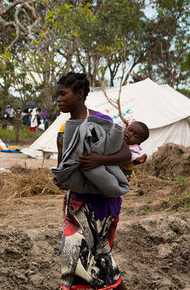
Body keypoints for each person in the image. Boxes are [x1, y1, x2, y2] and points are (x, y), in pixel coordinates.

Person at [53, 72, 132, 290]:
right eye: (57, 95)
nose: (58, 99)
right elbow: (63, 170)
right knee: (76, 257)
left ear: (79, 94)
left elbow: (126, 154)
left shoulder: (101, 122)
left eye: (63, 94)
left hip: (101, 204)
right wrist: (60, 181)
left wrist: (100, 160)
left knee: (96, 257)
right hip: (76, 203)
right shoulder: (64, 131)